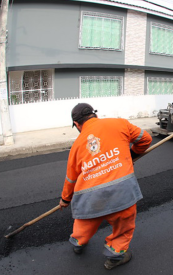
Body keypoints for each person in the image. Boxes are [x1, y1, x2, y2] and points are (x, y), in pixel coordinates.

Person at [59, 103, 152, 270]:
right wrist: (132, 154)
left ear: (77, 124)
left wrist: (65, 199)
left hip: (90, 197)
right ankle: (115, 257)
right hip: (122, 193)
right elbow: (145, 139)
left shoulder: (77, 146)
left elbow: (71, 179)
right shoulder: (120, 124)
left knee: (85, 222)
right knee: (123, 227)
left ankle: (78, 242)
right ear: (94, 115)